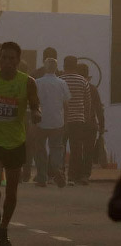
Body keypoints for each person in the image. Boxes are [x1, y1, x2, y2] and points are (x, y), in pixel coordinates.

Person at [0, 41, 41, 246]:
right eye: (4, 58)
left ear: (18, 61)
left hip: (16, 142)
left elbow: (35, 105)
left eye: (12, 59)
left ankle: (3, 228)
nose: (8, 62)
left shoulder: (27, 82)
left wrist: (37, 114)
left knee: (12, 191)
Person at [33, 57, 70, 187]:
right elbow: (66, 103)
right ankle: (56, 169)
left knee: (40, 149)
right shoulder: (62, 83)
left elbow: (33, 102)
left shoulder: (37, 82)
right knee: (56, 148)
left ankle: (42, 177)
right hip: (57, 120)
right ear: (56, 68)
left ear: (45, 67)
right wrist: (65, 119)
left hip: (40, 121)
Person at [59, 55, 91, 186]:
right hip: (78, 120)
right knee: (76, 148)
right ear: (76, 65)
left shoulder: (60, 80)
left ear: (64, 65)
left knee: (59, 147)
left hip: (61, 120)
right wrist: (86, 118)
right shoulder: (83, 81)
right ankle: (72, 176)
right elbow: (87, 102)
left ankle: (59, 174)